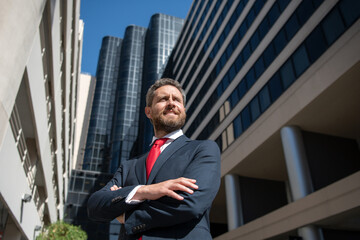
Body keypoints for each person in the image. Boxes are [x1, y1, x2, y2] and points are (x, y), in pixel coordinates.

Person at [87, 78, 221, 240]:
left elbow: (190, 203)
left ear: (183, 109)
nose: (171, 103)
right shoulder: (130, 165)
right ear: (148, 111)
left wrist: (128, 216)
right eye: (163, 99)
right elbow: (95, 206)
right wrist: (144, 191)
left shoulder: (203, 149)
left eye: (176, 100)